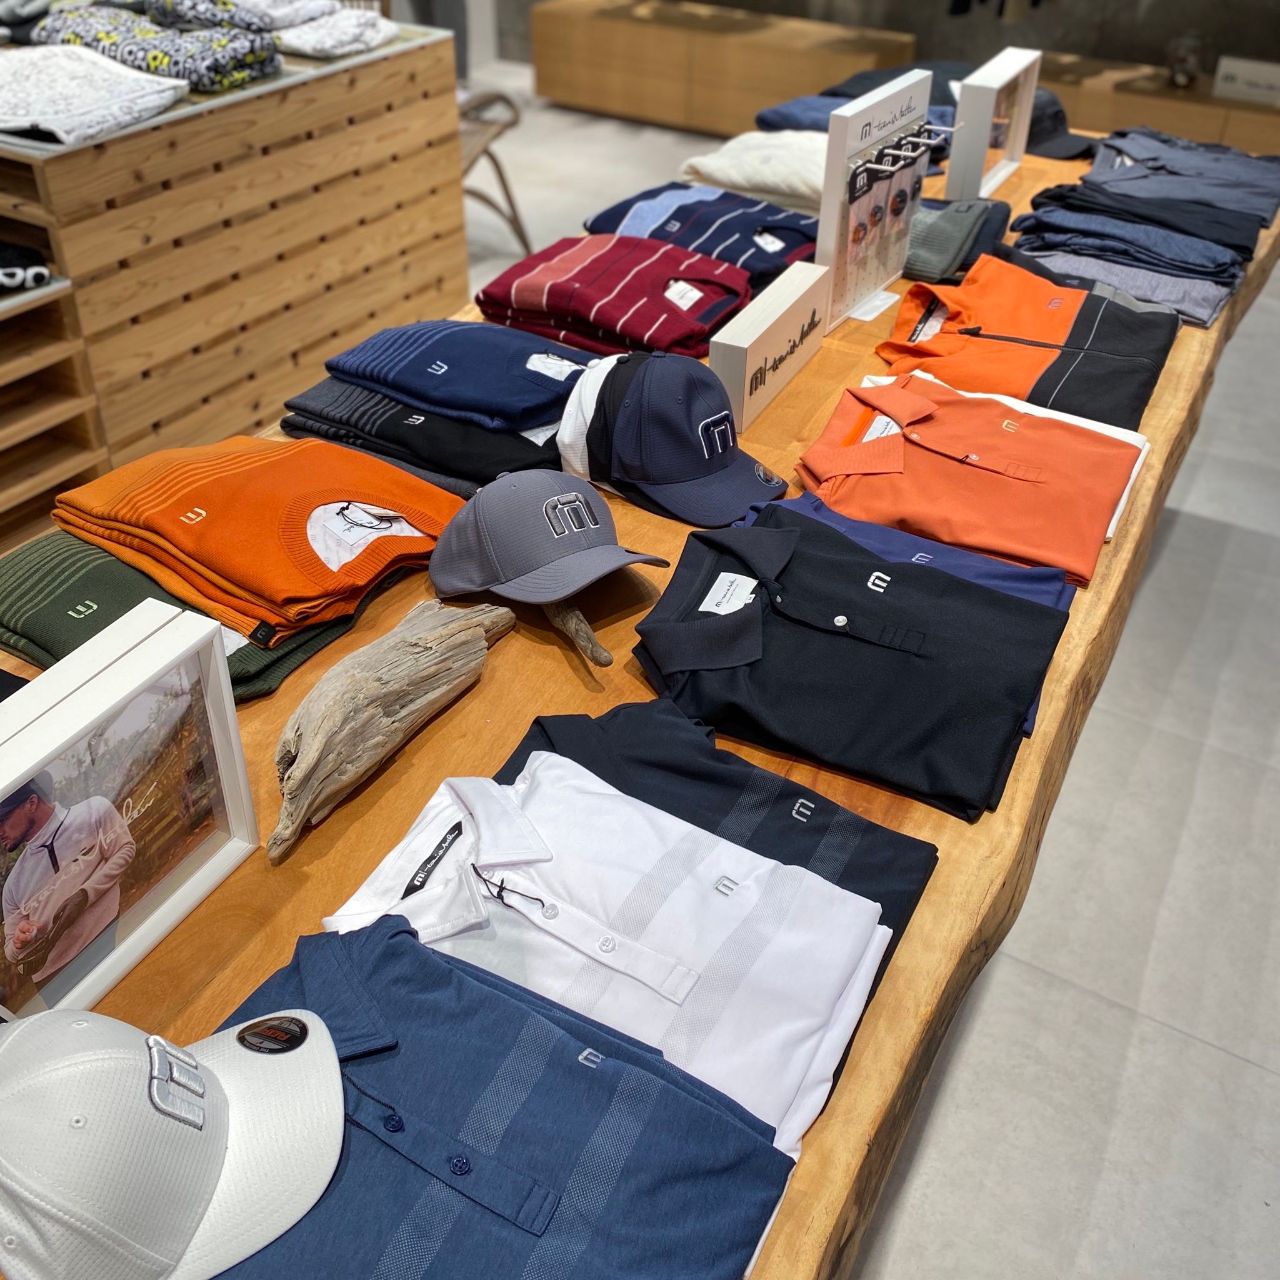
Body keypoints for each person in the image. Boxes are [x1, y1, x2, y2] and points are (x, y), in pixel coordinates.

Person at [0, 776, 135, 985]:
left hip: (108, 938)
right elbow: (10, 951)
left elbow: (125, 849)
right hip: (53, 978)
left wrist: (86, 894)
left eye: (2, 819)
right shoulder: (13, 884)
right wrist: (19, 941)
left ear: (32, 803)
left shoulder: (93, 812)